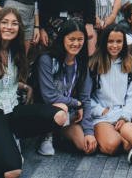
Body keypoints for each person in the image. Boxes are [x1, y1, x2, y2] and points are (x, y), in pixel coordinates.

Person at [0, 8, 62, 178]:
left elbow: (3, 80)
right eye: (4, 22)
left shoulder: (15, 50)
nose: (9, 27)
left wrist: (25, 87)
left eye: (14, 23)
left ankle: (8, 138)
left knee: (60, 116)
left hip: (13, 109)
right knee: (13, 172)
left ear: (19, 28)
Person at [36, 19, 95, 156]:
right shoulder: (47, 59)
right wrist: (76, 103)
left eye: (80, 39)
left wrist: (89, 132)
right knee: (61, 107)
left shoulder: (82, 63)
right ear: (63, 38)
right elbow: (49, 96)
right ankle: (46, 136)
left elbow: (85, 98)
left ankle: (60, 136)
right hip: (46, 111)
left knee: (84, 145)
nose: (76, 43)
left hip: (69, 115)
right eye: (71, 39)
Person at [87, 24, 132, 155]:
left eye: (119, 41)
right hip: (102, 115)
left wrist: (125, 116)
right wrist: (101, 110)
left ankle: (126, 140)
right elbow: (86, 96)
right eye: (110, 41)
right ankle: (125, 141)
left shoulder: (130, 64)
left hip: (122, 114)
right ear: (104, 42)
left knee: (127, 142)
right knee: (111, 145)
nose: (115, 45)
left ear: (124, 43)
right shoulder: (94, 64)